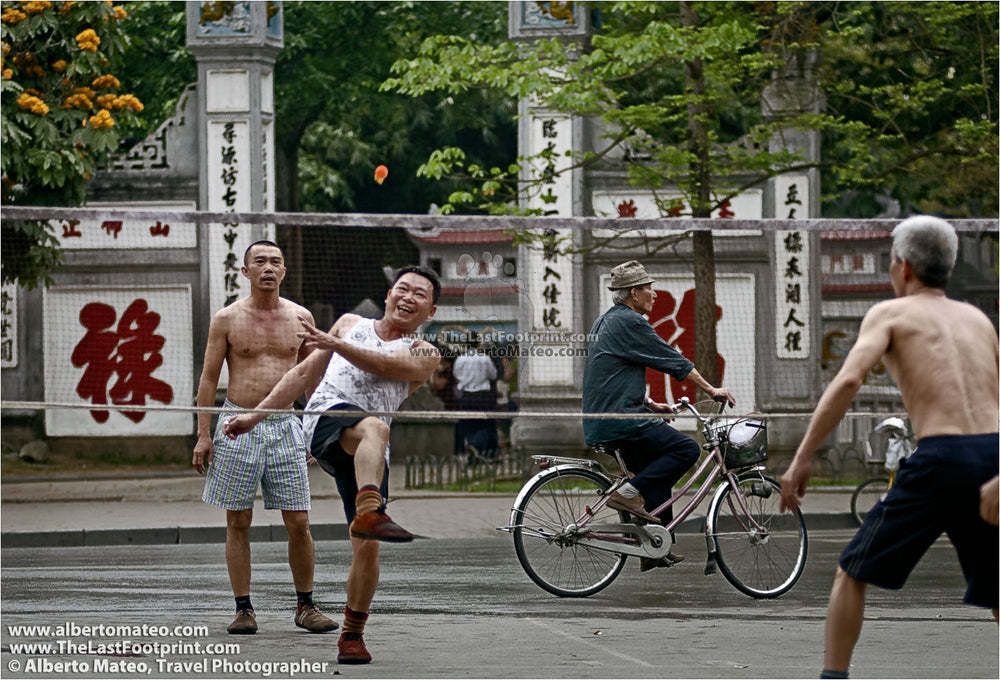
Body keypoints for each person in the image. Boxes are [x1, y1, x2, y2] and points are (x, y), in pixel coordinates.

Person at [778, 215, 999, 679]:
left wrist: (801, 459)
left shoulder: (891, 312)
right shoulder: (979, 320)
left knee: (851, 571)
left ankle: (832, 677)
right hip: (993, 458)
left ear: (902, 268)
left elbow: (850, 379)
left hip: (942, 457)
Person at [222, 265, 442, 665]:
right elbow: (304, 372)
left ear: (430, 312)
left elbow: (388, 368)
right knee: (374, 425)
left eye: (419, 295)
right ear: (389, 293)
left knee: (368, 548)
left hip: (368, 449)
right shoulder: (350, 324)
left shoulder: (426, 352)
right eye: (402, 289)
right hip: (326, 417)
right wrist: (253, 417)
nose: (408, 298)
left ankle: (352, 635)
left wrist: (334, 344)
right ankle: (370, 510)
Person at [193, 240, 337, 636]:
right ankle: (243, 609)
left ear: (284, 271)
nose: (268, 268)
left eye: (275, 262)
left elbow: (314, 379)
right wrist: (203, 435)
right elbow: (208, 378)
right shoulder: (226, 318)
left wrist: (314, 430)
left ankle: (305, 605)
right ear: (246, 271)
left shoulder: (301, 317)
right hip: (237, 423)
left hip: (286, 426)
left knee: (299, 521)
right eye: (260, 261)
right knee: (238, 519)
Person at [582, 260, 736, 572]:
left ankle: (655, 545)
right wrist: (711, 389)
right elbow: (670, 358)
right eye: (648, 288)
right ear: (633, 293)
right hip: (621, 421)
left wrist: (652, 404)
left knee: (657, 471)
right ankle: (626, 495)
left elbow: (612, 376)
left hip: (609, 417)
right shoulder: (630, 322)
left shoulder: (607, 321)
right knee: (686, 450)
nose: (653, 294)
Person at [453, 335, 499, 460]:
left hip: (466, 396)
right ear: (478, 344)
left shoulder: (460, 359)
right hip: (482, 396)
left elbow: (456, 375)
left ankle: (472, 451)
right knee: (485, 425)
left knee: (468, 425)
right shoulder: (484, 359)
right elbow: (493, 375)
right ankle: (476, 446)